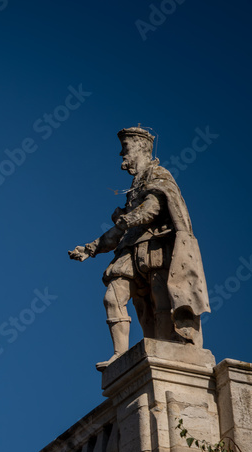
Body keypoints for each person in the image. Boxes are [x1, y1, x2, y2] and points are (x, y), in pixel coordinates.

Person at [69, 126, 209, 369]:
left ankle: (164, 347)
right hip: (130, 248)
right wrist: (90, 249)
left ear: (141, 148)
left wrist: (129, 219)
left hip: (156, 246)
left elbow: (153, 207)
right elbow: (118, 231)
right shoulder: (134, 187)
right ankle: (119, 354)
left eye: (125, 149)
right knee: (113, 297)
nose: (121, 155)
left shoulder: (158, 175)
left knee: (160, 299)